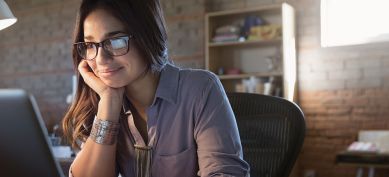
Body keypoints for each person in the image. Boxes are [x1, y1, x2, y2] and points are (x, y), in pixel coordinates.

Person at [62, 0, 250, 176]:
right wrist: (109, 102)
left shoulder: (200, 89)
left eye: (116, 40)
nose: (101, 59)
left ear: (147, 35)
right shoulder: (103, 101)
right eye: (89, 45)